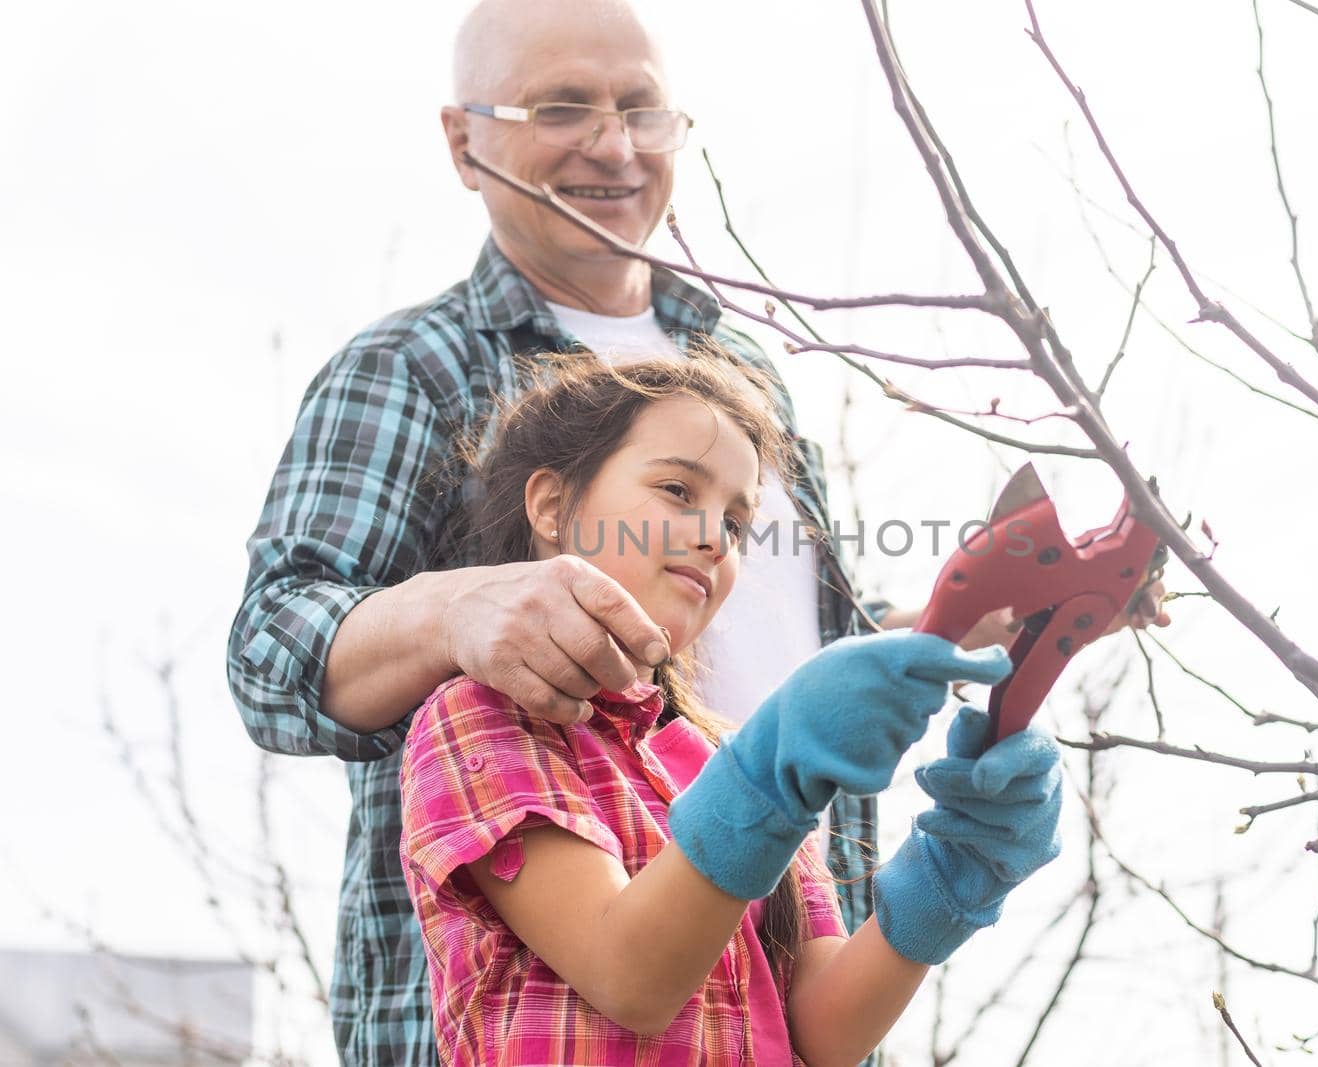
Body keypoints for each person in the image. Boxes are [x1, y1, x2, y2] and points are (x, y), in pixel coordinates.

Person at [226, 1, 1026, 1061]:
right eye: (562, 107)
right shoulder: (413, 368)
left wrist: (949, 631)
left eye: (642, 109)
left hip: (772, 999)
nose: (612, 143)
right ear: (463, 140)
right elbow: (271, 646)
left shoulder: (751, 384)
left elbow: (797, 645)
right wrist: (458, 608)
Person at [398, 349, 1067, 1066]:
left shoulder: (730, 759)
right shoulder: (479, 718)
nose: (714, 537)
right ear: (554, 507)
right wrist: (772, 774)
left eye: (738, 522)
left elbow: (824, 1031)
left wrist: (952, 872)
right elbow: (630, 975)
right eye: (678, 488)